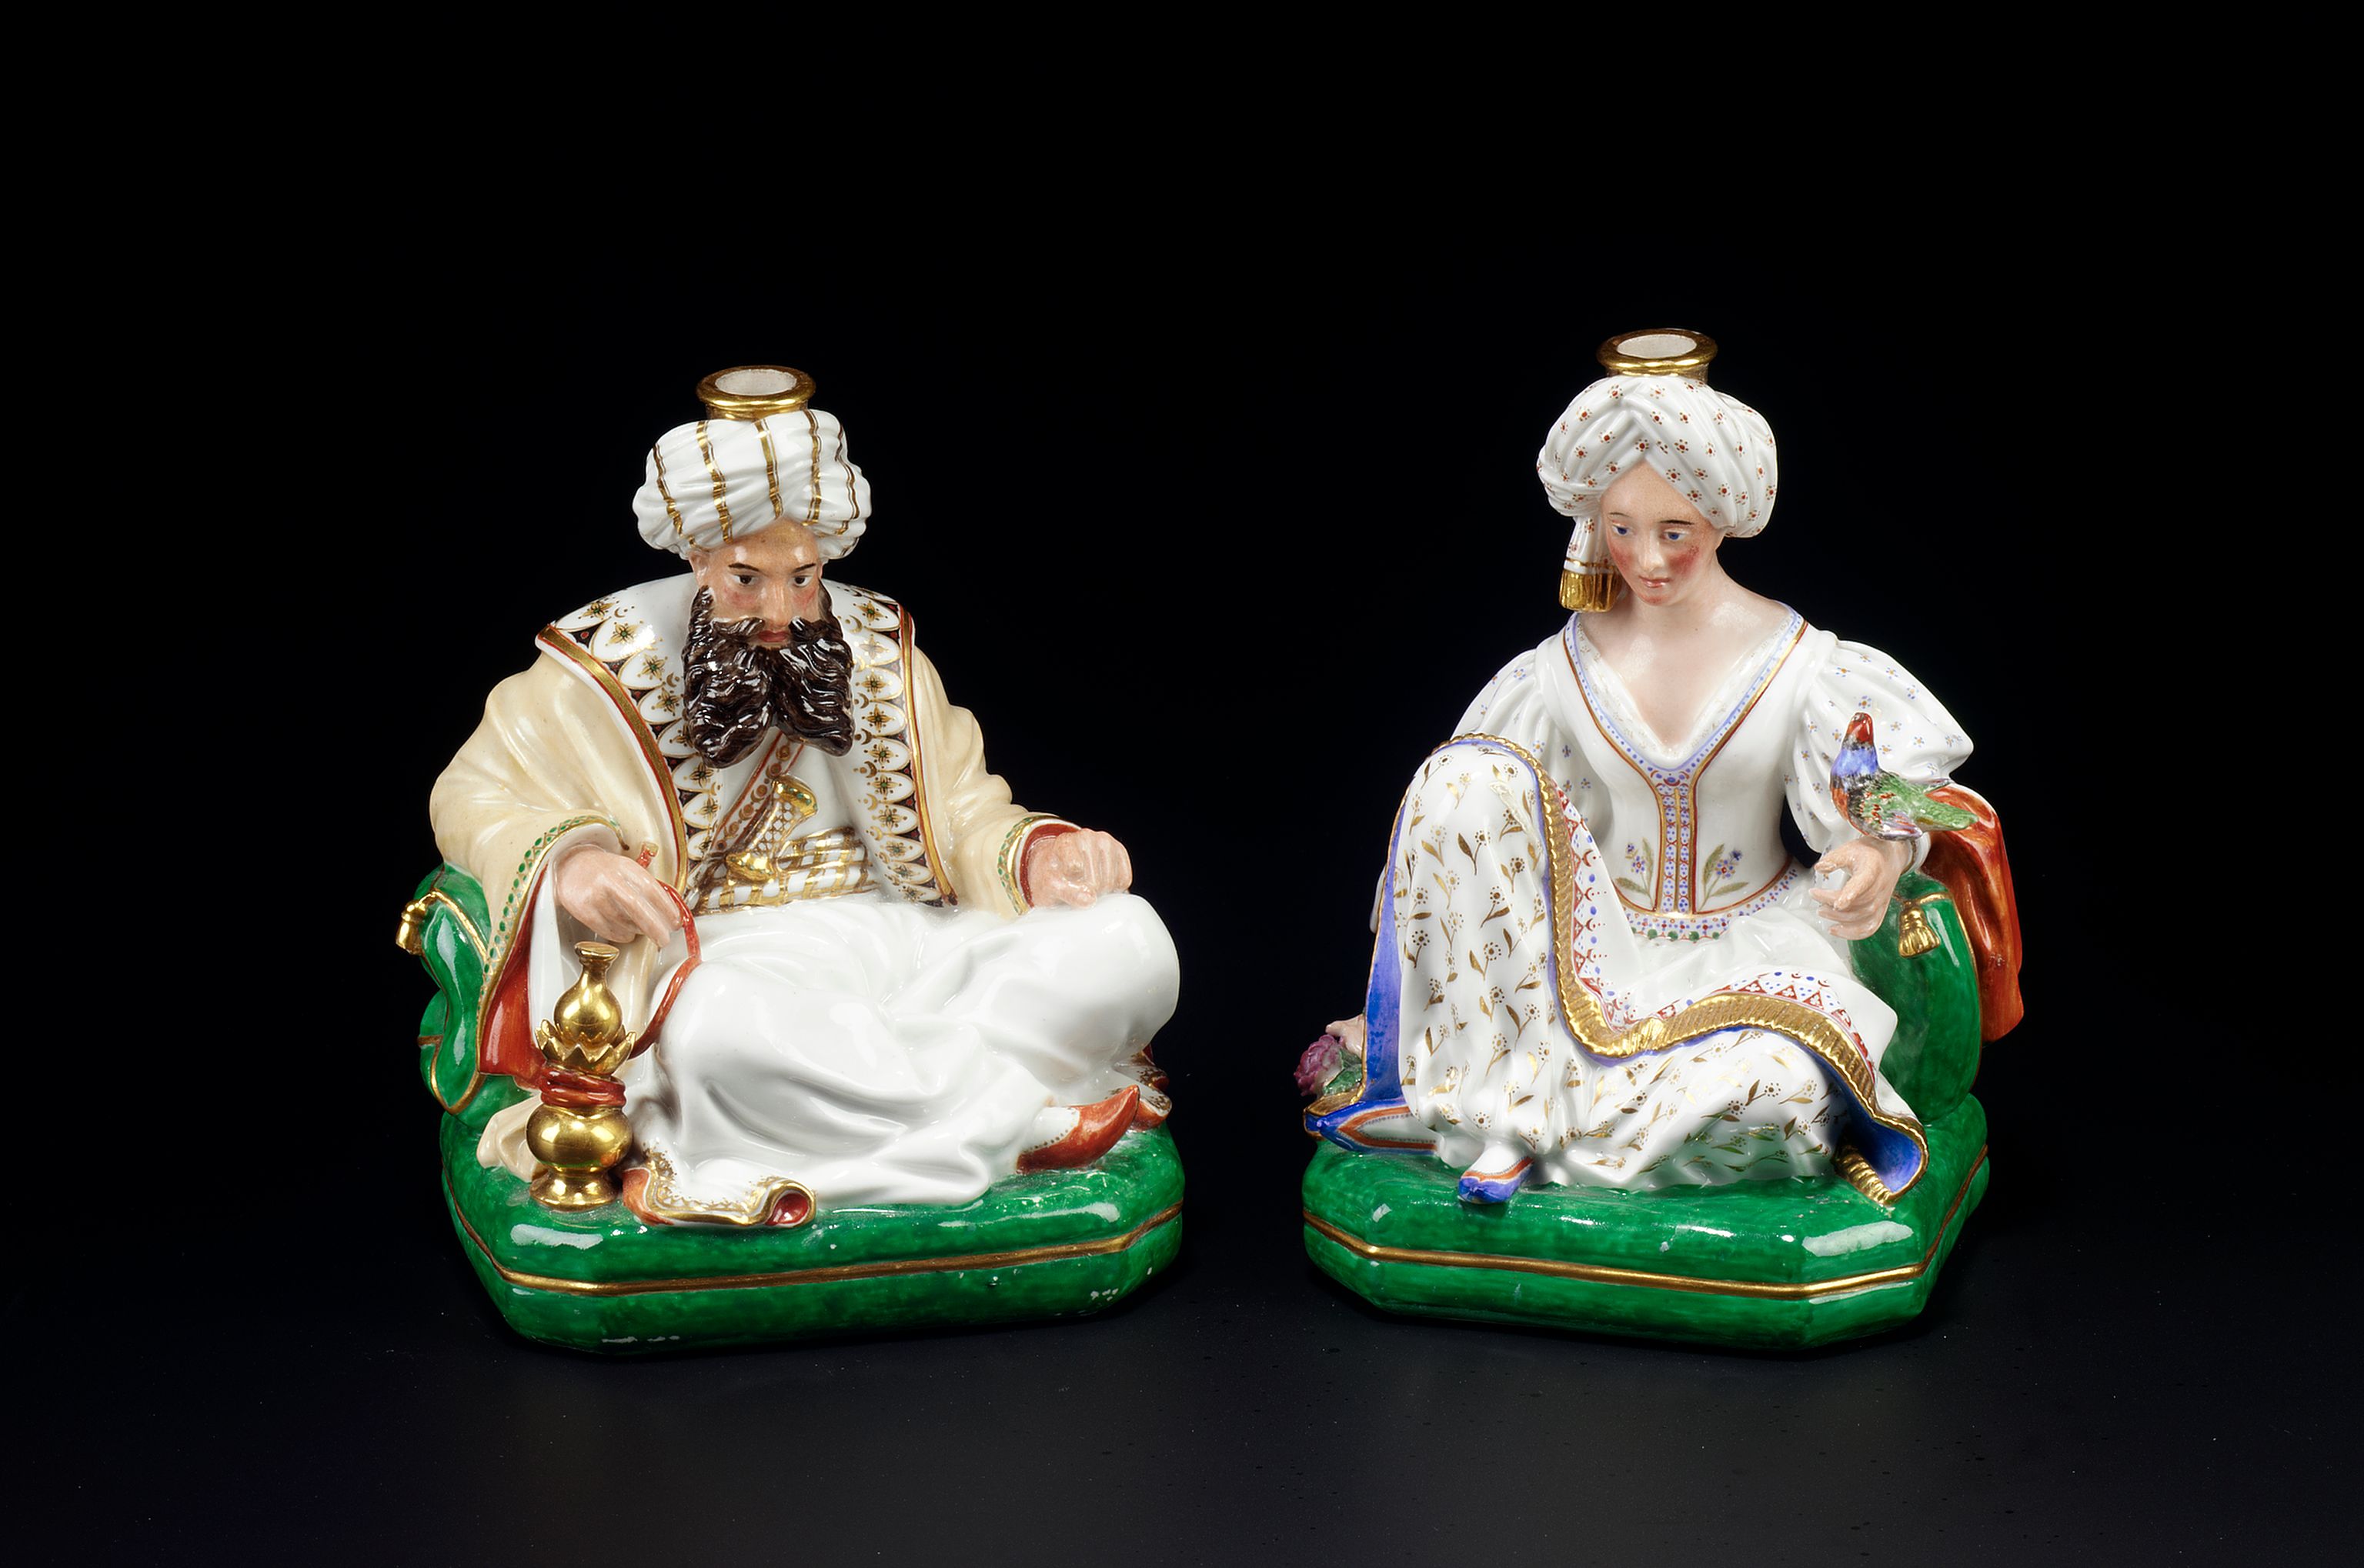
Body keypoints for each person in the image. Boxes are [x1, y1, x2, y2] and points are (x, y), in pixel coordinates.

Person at [433, 368, 1179, 1225]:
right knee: (714, 1038)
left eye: (803, 577)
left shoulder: (878, 647)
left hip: (907, 943)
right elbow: (471, 794)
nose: (781, 611)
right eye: (747, 579)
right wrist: (576, 864)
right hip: (725, 960)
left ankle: (893, 1100)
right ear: (698, 558)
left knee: (1131, 940)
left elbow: (969, 811)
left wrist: (1044, 853)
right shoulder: (602, 667)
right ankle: (1009, 1118)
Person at [1309, 334, 1968, 1205]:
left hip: (1756, 948)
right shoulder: (1554, 676)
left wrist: (1878, 856)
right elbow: (1475, 845)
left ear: (1722, 517)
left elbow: (1893, 801)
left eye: (1674, 532)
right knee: (1461, 777)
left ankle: (1509, 1115)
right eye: (1621, 530)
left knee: (1782, 1089)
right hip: (1588, 961)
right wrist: (1418, 984)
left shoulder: (1802, 666)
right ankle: (1524, 1107)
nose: (1648, 560)